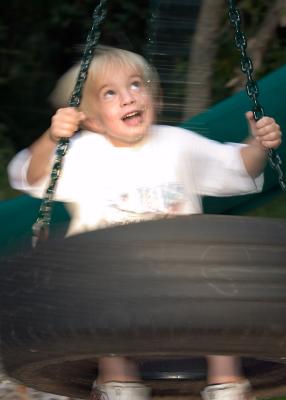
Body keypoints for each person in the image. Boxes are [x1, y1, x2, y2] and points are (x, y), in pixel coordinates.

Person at [8, 46, 282, 400]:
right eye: (109, 93)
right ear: (88, 118)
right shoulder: (82, 153)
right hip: (107, 271)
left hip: (183, 268)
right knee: (99, 305)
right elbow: (29, 175)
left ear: (154, 96)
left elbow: (237, 166)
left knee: (219, 289)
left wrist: (259, 145)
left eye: (136, 85)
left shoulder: (177, 144)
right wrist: (52, 138)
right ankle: (119, 381)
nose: (127, 98)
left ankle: (226, 380)